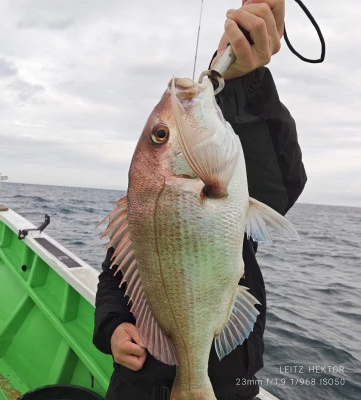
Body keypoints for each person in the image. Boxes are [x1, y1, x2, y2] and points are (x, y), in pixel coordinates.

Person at [93, 1, 307, 399]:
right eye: (161, 136)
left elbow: (281, 187)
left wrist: (244, 80)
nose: (167, 125)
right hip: (135, 382)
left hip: (229, 381)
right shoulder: (140, 218)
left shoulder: (233, 176)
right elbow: (113, 277)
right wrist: (112, 327)